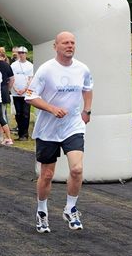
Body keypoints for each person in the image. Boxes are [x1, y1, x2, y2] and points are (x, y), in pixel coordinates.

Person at [25, 31, 93, 233]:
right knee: (47, 174)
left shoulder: (82, 68)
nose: (69, 46)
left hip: (73, 125)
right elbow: (30, 96)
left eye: (72, 42)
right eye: (65, 43)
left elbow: (88, 88)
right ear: (55, 46)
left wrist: (87, 110)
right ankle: (42, 211)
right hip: (48, 128)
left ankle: (71, 208)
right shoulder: (46, 70)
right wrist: (51, 108)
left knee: (77, 169)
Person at [11, 46, 34, 140]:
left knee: (26, 113)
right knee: (18, 113)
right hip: (16, 93)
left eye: (22, 53)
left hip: (26, 93)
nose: (20, 54)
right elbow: (11, 78)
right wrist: (15, 89)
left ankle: (25, 134)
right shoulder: (13, 65)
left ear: (26, 54)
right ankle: (20, 132)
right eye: (19, 53)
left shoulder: (30, 65)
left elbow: (31, 79)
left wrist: (24, 90)